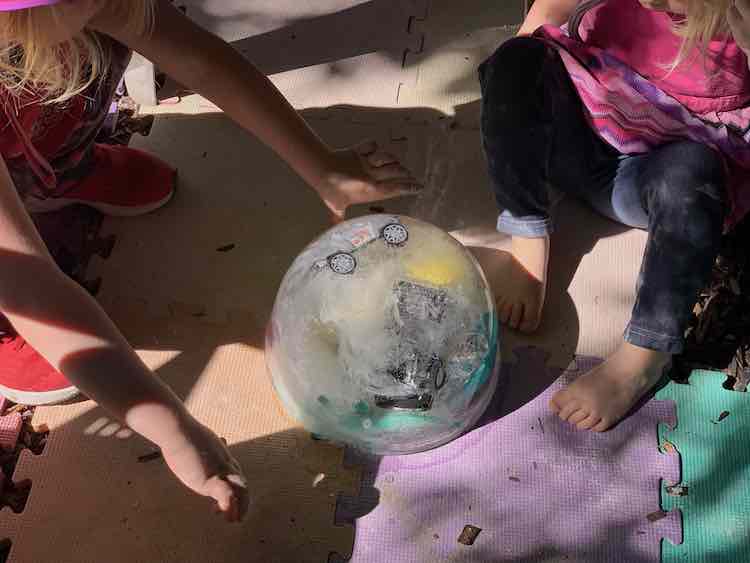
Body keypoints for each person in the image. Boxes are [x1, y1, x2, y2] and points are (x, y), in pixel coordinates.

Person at [0, 0, 418, 522]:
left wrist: (322, 167)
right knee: (23, 290)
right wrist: (171, 428)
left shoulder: (64, 15)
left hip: (23, 71)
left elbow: (198, 58)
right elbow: (29, 280)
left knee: (100, 39)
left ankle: (55, 172)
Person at [479, 0, 750, 431]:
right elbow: (548, 10)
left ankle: (643, 355)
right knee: (515, 59)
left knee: (694, 174)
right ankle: (528, 241)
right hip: (579, 133)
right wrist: (522, 95)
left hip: (647, 177)